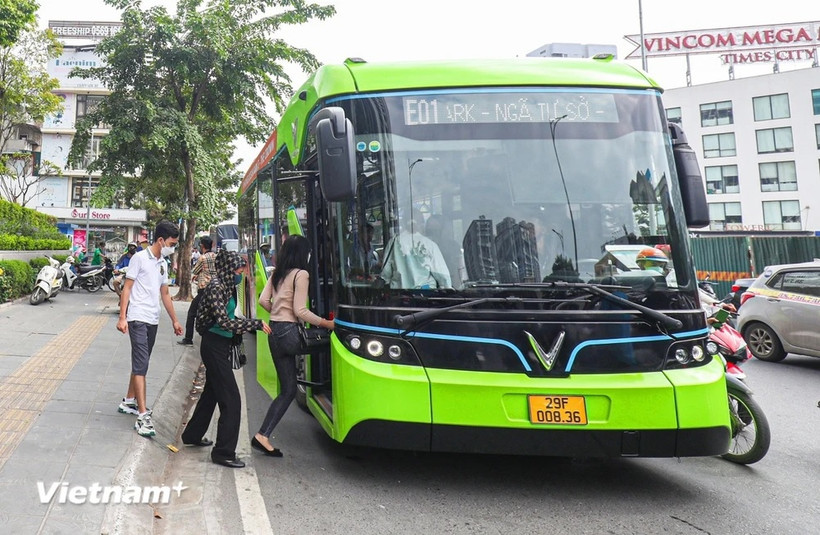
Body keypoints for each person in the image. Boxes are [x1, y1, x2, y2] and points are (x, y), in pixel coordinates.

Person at [182, 249, 271, 468]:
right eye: (239, 269)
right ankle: (223, 452)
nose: (242, 272)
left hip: (220, 346)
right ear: (228, 268)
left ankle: (192, 435)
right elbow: (224, 322)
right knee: (231, 400)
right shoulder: (215, 287)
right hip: (213, 346)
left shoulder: (227, 285)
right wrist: (255, 324)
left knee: (211, 393)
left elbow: (231, 317)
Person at [254, 235, 334, 457]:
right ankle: (331, 384)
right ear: (303, 253)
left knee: (288, 390)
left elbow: (262, 300)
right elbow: (300, 311)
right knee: (331, 344)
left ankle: (263, 435)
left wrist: (278, 315)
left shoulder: (277, 273)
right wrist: (328, 323)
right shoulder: (302, 274)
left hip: (274, 333)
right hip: (290, 334)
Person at [116, 220, 184, 437]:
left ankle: (128, 401)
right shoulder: (139, 258)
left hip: (153, 319)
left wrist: (174, 320)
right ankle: (142, 416)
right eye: (172, 243)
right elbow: (127, 288)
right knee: (141, 364)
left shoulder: (162, 263)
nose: (173, 247)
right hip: (137, 317)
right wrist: (122, 317)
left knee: (140, 362)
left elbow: (165, 293)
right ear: (161, 240)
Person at [379, 209, 451, 289]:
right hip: (425, 295)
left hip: (399, 295)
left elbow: (385, 274)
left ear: (403, 222)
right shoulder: (429, 244)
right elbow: (443, 277)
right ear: (421, 223)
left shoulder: (394, 242)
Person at [179, 236, 217, 346]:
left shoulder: (202, 258)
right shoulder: (216, 256)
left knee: (192, 313)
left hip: (203, 290)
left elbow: (195, 271)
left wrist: (197, 275)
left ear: (202, 246)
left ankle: (188, 339)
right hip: (214, 289)